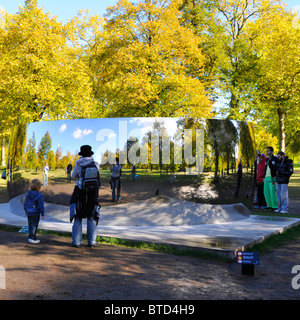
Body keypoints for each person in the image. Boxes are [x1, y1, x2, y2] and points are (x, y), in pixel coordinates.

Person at [70, 145, 100, 248]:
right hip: (93, 194)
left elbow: (73, 176)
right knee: (91, 216)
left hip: (80, 193)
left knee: (78, 216)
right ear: (90, 154)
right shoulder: (96, 164)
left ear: (81, 154)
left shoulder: (78, 165)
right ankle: (91, 241)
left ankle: (76, 242)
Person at [24, 179, 45, 244]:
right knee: (34, 225)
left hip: (29, 212)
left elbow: (25, 203)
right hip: (35, 212)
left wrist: (26, 210)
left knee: (30, 225)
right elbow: (41, 205)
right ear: (39, 187)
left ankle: (31, 237)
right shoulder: (39, 195)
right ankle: (32, 238)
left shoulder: (28, 193)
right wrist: (42, 213)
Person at [263, 146, 278, 211]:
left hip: (272, 177)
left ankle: (274, 206)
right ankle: (268, 205)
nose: (267, 152)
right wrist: (264, 176)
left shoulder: (275, 158)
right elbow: (265, 168)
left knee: (272, 192)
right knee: (266, 192)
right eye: (266, 151)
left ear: (272, 152)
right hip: (266, 177)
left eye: (268, 151)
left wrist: (275, 175)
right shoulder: (266, 159)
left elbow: (276, 168)